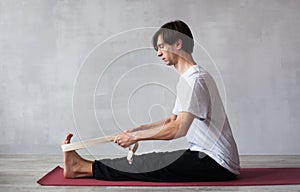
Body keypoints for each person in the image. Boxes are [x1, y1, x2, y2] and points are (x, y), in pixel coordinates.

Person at [63, 20, 240, 182]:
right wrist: (138, 129)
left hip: (216, 163)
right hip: (205, 156)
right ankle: (84, 166)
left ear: (178, 43)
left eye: (161, 47)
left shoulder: (195, 81)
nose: (158, 53)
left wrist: (134, 137)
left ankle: (82, 168)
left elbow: (178, 130)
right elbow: (172, 120)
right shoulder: (189, 78)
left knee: (152, 163)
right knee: (154, 159)